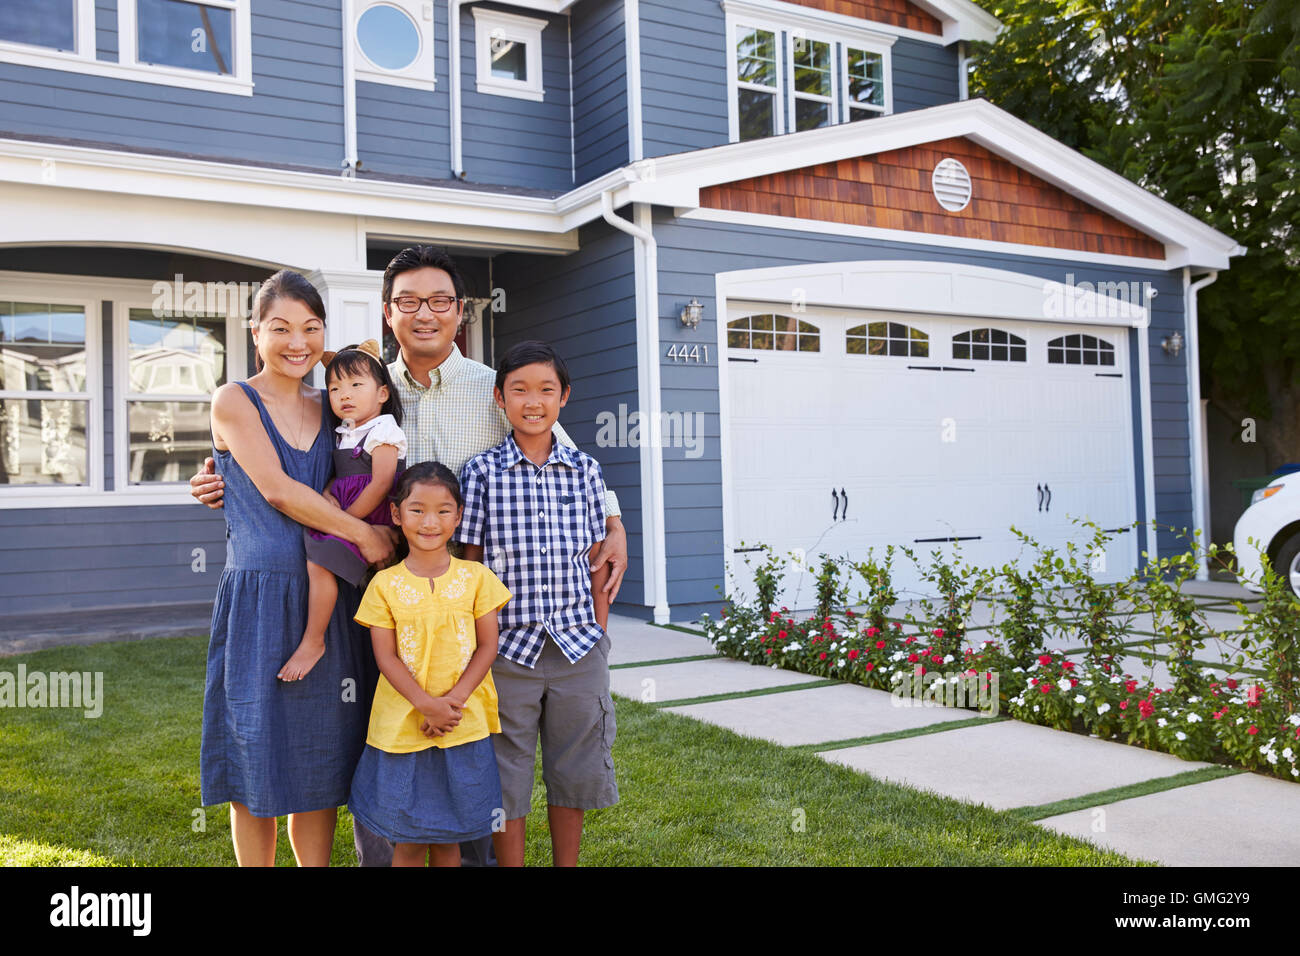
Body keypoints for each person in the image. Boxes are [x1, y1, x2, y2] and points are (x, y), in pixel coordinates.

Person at [190, 246, 629, 867]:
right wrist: (217, 474)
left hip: (459, 599)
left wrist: (612, 520)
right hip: (371, 593)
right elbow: (274, 463)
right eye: (409, 302)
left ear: (459, 312)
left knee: (463, 744)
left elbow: (553, 443)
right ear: (387, 312)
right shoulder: (360, 387)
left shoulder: (492, 389)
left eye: (440, 301)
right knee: (380, 735)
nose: (426, 314)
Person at [201, 270, 395, 867]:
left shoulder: (335, 403)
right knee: (253, 764)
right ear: (254, 332)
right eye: (280, 328)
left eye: (311, 329)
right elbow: (280, 490)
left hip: (327, 599)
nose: (296, 342)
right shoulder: (234, 399)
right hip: (259, 597)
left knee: (318, 765)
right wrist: (364, 531)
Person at [457, 341, 616, 867]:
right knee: (508, 775)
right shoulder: (482, 473)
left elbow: (597, 562)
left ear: (564, 397)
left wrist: (599, 633)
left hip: (577, 647)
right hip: (508, 651)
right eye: (519, 390)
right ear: (499, 399)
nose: (533, 401)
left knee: (575, 770)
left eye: (546, 389)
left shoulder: (586, 471)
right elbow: (472, 566)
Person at [349, 462, 511, 866]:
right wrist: (426, 704)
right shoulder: (383, 584)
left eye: (443, 510)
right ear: (397, 514)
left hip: (462, 724)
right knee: (407, 839)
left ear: (458, 516)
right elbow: (385, 656)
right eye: (417, 509)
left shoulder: (476, 577)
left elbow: (488, 646)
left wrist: (451, 703)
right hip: (403, 729)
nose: (429, 521)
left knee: (448, 838)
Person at [282, 339, 408, 682]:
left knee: (320, 561)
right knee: (319, 560)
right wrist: (326, 495)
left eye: (355, 385)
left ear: (382, 393)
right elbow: (338, 477)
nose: (344, 395)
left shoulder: (383, 430)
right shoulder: (345, 432)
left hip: (371, 516)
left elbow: (381, 483)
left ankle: (314, 639)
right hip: (349, 516)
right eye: (334, 388)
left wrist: (345, 522)